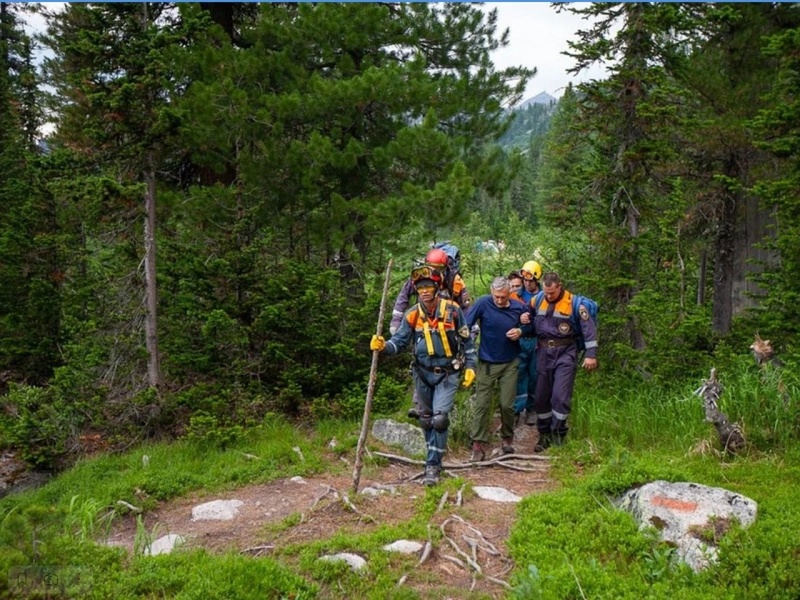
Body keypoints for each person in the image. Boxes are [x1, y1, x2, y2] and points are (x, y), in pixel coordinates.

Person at [370, 266, 476, 486]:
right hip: (422, 373)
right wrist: (383, 346)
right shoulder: (412, 315)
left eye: (428, 287)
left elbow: (467, 342)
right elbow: (398, 343)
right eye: (420, 288)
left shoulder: (453, 312)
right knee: (426, 420)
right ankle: (434, 456)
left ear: (437, 288)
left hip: (448, 373)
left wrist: (471, 367)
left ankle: (433, 466)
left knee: (439, 419)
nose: (424, 291)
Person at [389, 246, 472, 420]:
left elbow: (466, 306)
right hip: (423, 320)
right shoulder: (421, 277)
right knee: (422, 359)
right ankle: (420, 404)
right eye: (433, 267)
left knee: (447, 360)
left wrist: (468, 329)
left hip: (448, 324)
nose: (436, 271)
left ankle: (442, 403)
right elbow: (402, 298)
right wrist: (396, 324)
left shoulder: (454, 280)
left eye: (440, 268)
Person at [465, 276, 533, 461]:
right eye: (496, 297)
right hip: (487, 362)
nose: (500, 300)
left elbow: (532, 326)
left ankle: (507, 439)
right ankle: (478, 445)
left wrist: (521, 331)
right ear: (491, 292)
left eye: (503, 297)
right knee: (482, 404)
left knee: (507, 404)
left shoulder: (519, 307)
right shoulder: (483, 304)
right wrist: (464, 346)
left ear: (510, 293)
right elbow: (465, 324)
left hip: (510, 362)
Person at [532, 272, 598, 451]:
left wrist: (591, 355)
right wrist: (522, 324)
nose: (549, 296)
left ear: (559, 286)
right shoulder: (538, 300)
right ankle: (544, 435)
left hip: (565, 353)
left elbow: (589, 332)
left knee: (560, 397)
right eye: (546, 292)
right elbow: (529, 320)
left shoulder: (575, 304)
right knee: (540, 398)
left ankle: (558, 434)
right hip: (544, 352)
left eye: (552, 293)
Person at [514, 261, 543, 427]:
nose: (526, 283)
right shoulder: (516, 295)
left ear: (536, 280)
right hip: (519, 340)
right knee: (519, 375)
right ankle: (517, 410)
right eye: (524, 279)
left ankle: (531, 409)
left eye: (530, 280)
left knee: (534, 376)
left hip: (536, 340)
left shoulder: (542, 297)